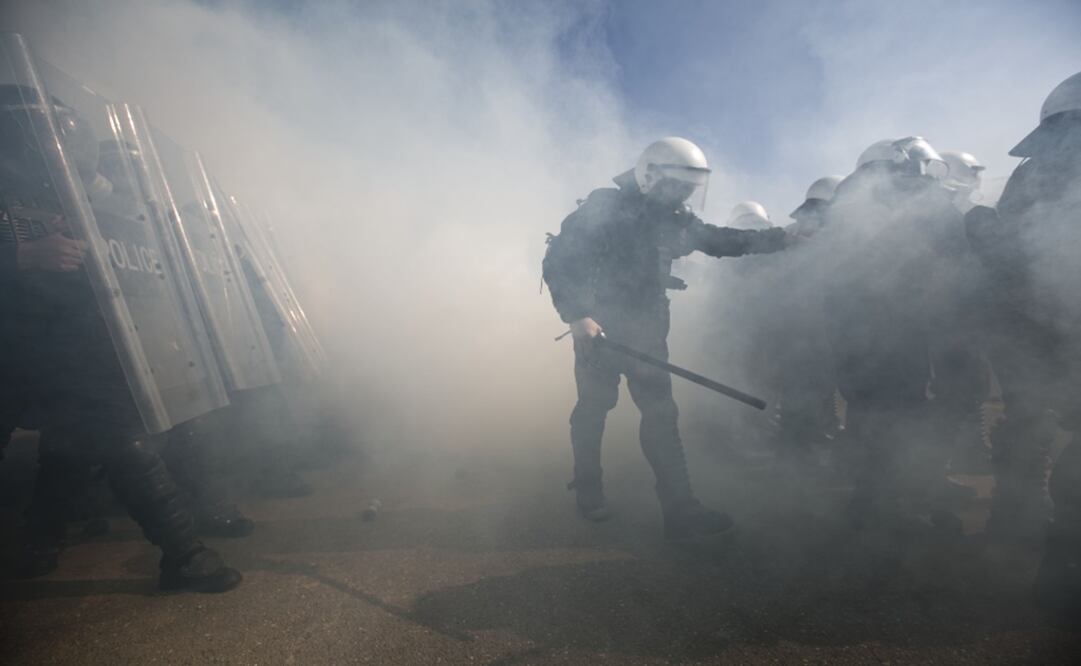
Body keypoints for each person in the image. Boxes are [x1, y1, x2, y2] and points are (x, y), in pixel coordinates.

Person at [0, 83, 240, 591]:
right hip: (12, 343)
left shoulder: (64, 186)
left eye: (57, 134)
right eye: (39, 133)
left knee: (99, 430)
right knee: (88, 433)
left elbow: (128, 218)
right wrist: (22, 256)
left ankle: (179, 554)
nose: (53, 146)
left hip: (57, 337)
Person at [542, 137, 789, 539]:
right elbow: (559, 261)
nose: (686, 193)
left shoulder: (675, 219)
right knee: (594, 408)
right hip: (599, 332)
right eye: (679, 185)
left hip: (648, 333)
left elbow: (722, 240)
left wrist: (781, 238)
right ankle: (588, 489)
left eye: (691, 186)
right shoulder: (605, 207)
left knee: (662, 416)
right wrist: (578, 316)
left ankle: (681, 509)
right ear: (650, 176)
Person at [965, 71, 1081, 615]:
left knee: (1029, 421)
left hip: (1021, 324)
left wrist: (981, 223)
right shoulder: (1046, 175)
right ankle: (1061, 563)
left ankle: (1020, 524)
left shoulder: (1030, 173)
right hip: (1048, 322)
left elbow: (1003, 246)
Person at [824, 136, 979, 532]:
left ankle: (874, 504)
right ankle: (881, 511)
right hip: (894, 333)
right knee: (896, 415)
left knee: (873, 413)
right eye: (913, 169)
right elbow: (951, 258)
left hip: (861, 334)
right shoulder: (915, 208)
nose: (919, 177)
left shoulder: (848, 208)